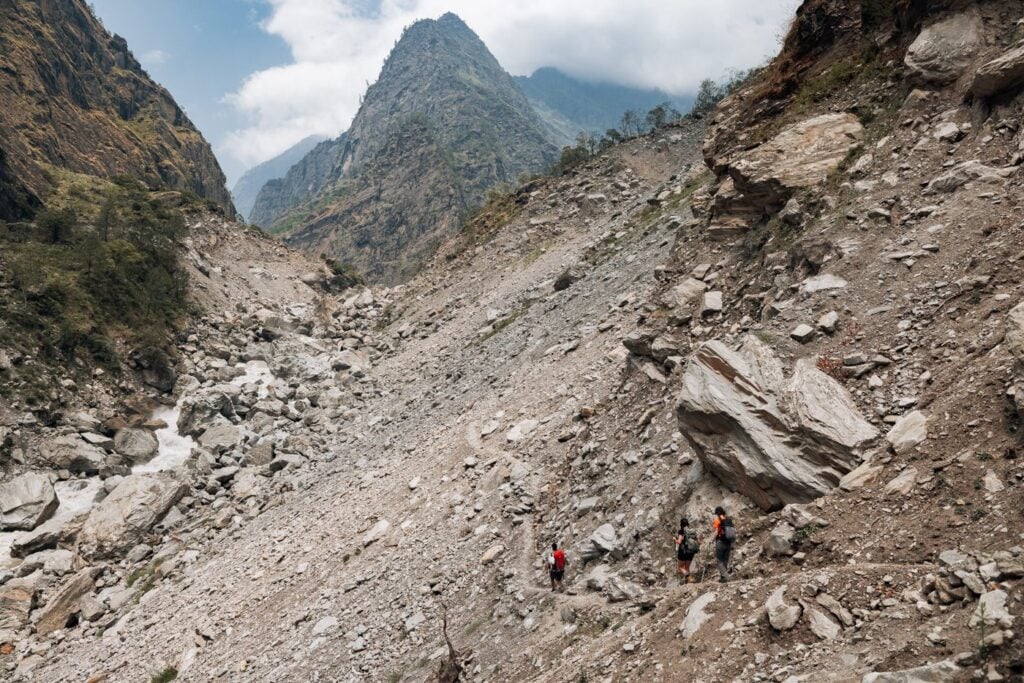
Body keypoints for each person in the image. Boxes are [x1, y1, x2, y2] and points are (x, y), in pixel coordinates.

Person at [713, 506, 736, 582]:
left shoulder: (717, 520)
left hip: (720, 542)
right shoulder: (728, 520)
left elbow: (716, 532)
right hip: (728, 542)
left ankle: (727, 577)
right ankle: (723, 578)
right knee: (725, 560)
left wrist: (712, 540)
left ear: (717, 513)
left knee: (719, 561)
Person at [675, 517, 698, 583]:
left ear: (681, 524)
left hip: (683, 551)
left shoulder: (681, 531)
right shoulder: (691, 531)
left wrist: (674, 539)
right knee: (687, 567)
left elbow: (679, 541)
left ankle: (689, 578)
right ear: (688, 523)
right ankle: (688, 582)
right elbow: (698, 541)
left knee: (680, 567)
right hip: (691, 552)